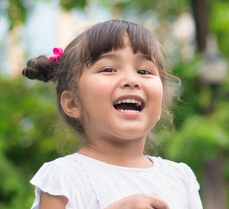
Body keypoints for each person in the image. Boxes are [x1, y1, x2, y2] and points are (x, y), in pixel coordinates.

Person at [22, 20, 203, 209]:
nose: (131, 80)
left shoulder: (180, 179)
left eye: (144, 71)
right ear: (73, 103)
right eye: (109, 69)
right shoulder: (64, 179)